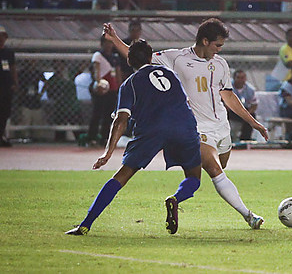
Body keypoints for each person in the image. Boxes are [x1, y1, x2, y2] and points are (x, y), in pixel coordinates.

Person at [103, 18, 268, 229]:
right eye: (217, 45)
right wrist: (115, 39)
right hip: (196, 129)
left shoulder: (220, 64)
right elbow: (137, 57)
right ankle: (249, 215)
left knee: (220, 164)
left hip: (221, 127)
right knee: (216, 170)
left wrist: (253, 122)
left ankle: (185, 191)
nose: (219, 50)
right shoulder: (176, 58)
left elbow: (228, 96)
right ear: (205, 41)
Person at [65, 40, 203, 236]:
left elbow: (121, 120)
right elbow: (185, 101)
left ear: (128, 60)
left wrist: (108, 152)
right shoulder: (171, 74)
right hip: (184, 126)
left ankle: (86, 224)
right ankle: (175, 199)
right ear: (151, 56)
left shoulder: (129, 84)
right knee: (194, 178)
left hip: (152, 130)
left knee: (121, 176)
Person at [88, 35, 121, 146]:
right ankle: (91, 138)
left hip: (112, 89)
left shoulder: (115, 57)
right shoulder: (98, 55)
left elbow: (117, 73)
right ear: (102, 44)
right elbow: (96, 71)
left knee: (109, 115)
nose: (108, 45)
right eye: (106, 42)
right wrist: (99, 83)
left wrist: (119, 86)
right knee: (97, 114)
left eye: (110, 42)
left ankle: (105, 138)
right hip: (101, 88)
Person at [228, 70, 258, 142]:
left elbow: (254, 105)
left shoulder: (250, 89)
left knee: (252, 116)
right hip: (231, 109)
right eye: (238, 78)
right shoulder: (228, 87)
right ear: (234, 78)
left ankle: (245, 139)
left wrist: (247, 114)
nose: (240, 80)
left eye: (243, 78)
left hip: (244, 109)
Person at [0, 25, 16, 147]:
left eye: (3, 36)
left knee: (4, 113)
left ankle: (1, 136)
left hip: (5, 87)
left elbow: (12, 68)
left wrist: (14, 82)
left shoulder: (8, 52)